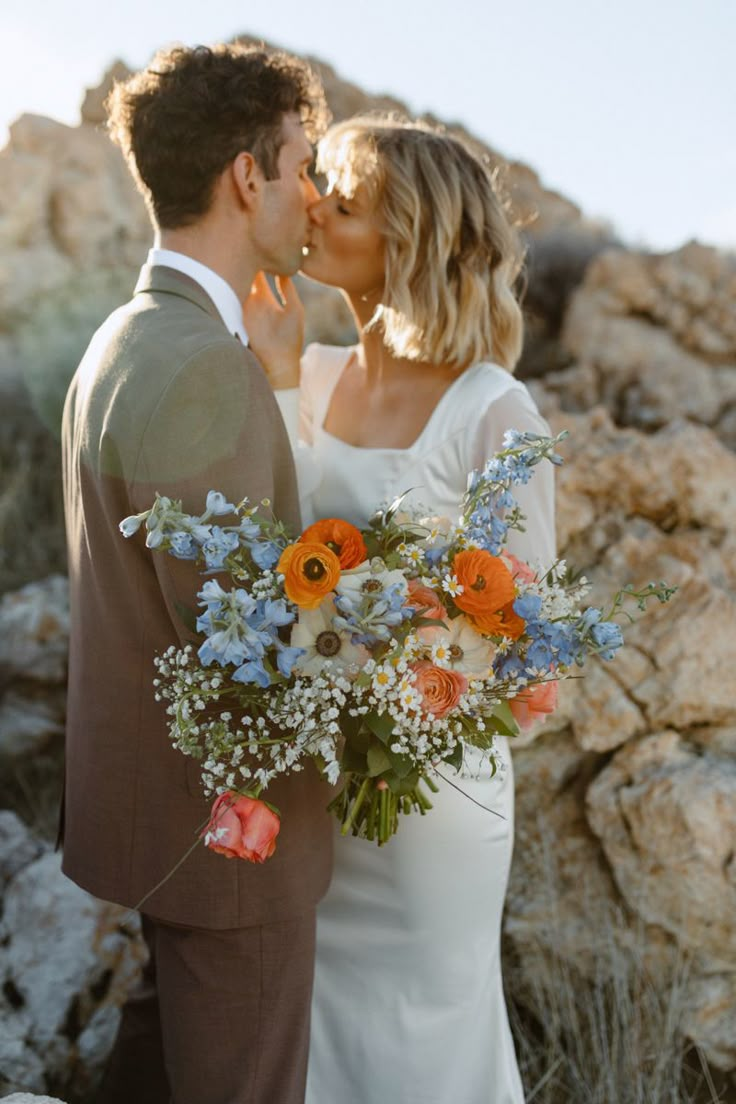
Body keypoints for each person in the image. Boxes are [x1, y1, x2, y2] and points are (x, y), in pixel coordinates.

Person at [244, 116, 556, 1104]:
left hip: (429, 801)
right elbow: (271, 546)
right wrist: (280, 372)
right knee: (316, 1024)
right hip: (311, 782)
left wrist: (408, 655)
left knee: (421, 1032)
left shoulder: (494, 408)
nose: (317, 207)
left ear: (408, 236)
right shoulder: (313, 371)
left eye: (347, 197)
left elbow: (522, 632)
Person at [60, 43, 334, 1104]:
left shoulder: (122, 339)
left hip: (150, 825)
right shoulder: (203, 371)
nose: (310, 196)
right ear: (244, 176)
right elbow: (245, 647)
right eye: (300, 165)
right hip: (229, 852)